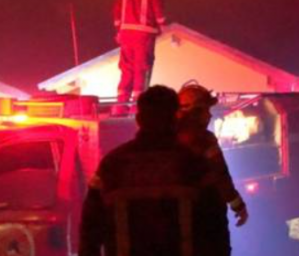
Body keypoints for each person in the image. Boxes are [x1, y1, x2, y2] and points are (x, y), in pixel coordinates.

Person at [79, 85, 225, 256]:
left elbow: (90, 231)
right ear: (174, 119)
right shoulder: (193, 165)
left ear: (139, 119)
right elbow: (216, 229)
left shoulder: (112, 165)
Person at [177, 83, 249, 236]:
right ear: (194, 111)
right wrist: (239, 206)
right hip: (203, 213)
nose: (209, 115)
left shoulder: (165, 136)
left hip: (173, 218)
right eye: (206, 110)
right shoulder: (204, 139)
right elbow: (220, 174)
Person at [113, 0, 167, 103]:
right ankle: (137, 105)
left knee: (126, 69)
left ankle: (120, 105)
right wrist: (161, 23)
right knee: (141, 68)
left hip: (125, 33)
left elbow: (117, 8)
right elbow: (156, 4)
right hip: (144, 33)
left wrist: (119, 29)